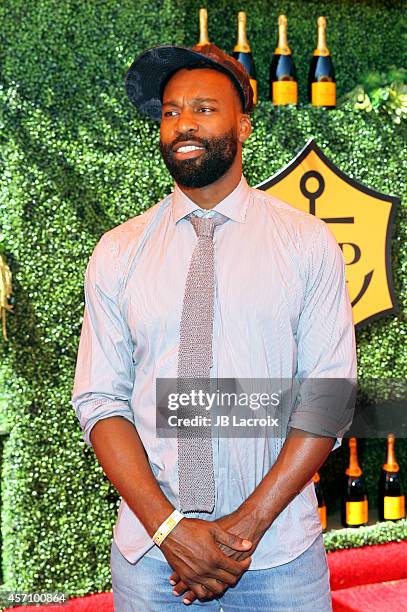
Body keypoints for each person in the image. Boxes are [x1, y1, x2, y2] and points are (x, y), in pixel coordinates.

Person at [71, 43, 356, 611]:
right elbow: (101, 402)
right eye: (172, 111)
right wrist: (171, 532)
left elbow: (328, 397)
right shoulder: (119, 252)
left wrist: (243, 529)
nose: (183, 124)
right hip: (152, 567)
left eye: (204, 108)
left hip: (279, 560)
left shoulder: (305, 243)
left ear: (244, 124)